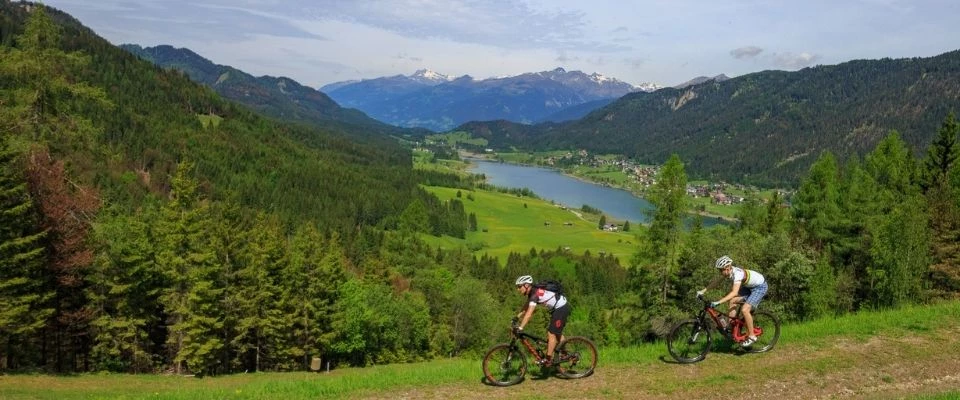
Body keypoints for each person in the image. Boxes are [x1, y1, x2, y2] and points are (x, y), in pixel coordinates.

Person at [696, 255, 768, 347]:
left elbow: (734, 292)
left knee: (745, 310)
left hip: (759, 287)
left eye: (721, 270)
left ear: (727, 267)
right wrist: (703, 291)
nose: (720, 272)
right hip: (749, 287)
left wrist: (718, 302)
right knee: (732, 301)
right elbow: (716, 282)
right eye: (719, 270)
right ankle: (732, 327)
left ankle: (752, 336)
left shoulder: (737, 274)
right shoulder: (728, 272)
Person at [514, 275, 571, 366]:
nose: (518, 289)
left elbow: (529, 314)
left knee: (551, 333)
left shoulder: (535, 294)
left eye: (519, 286)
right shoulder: (532, 292)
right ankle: (565, 354)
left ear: (527, 285)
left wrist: (520, 327)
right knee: (557, 333)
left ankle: (548, 360)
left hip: (561, 308)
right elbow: (526, 306)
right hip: (557, 309)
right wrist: (517, 317)